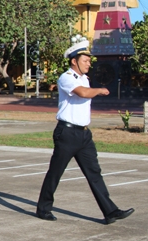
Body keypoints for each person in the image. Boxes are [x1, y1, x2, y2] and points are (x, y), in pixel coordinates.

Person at [36, 36, 134, 224]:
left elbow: (85, 91)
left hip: (83, 135)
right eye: (85, 60)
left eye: (89, 60)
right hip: (67, 133)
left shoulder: (84, 79)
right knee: (55, 172)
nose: (89, 63)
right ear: (74, 61)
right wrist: (99, 90)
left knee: (94, 173)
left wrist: (94, 89)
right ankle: (43, 208)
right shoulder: (66, 78)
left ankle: (110, 211)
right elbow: (82, 93)